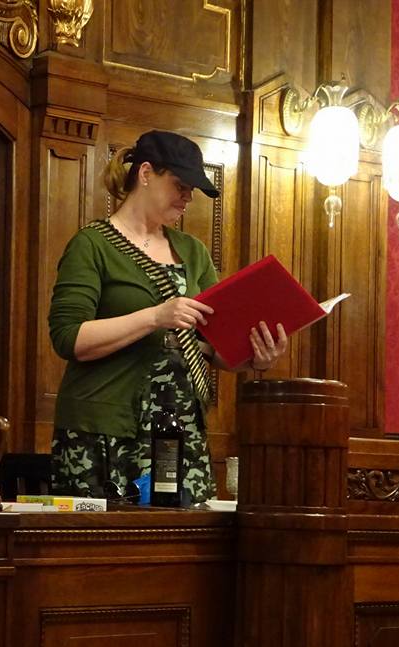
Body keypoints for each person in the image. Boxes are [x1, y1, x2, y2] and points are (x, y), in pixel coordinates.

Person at [48, 130, 288, 503]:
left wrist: (255, 359)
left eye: (192, 190)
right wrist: (156, 317)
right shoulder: (92, 244)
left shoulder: (193, 252)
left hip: (179, 430)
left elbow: (214, 344)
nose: (187, 197)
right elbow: (69, 338)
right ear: (146, 173)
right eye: (180, 185)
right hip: (104, 430)